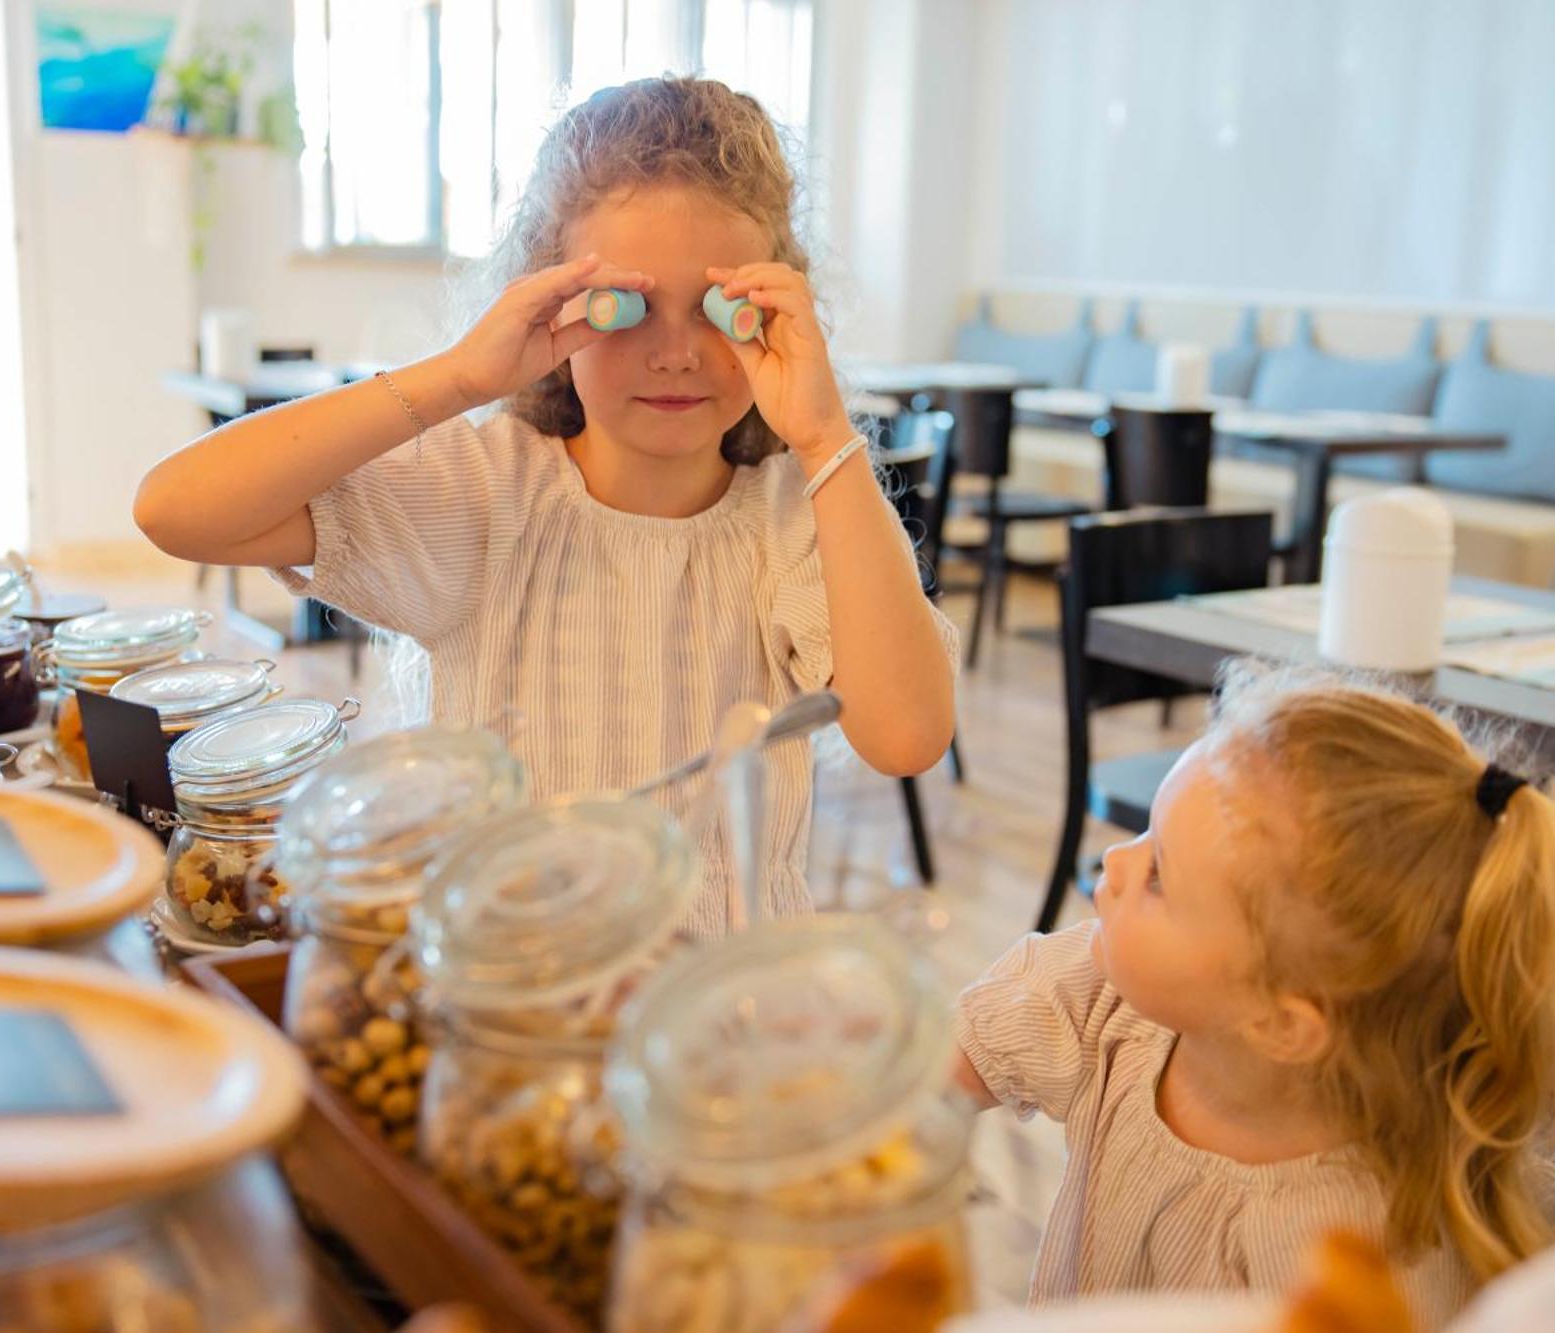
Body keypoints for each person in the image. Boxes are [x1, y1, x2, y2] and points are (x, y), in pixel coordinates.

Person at [134, 78, 957, 932]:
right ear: (557, 306)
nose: (676, 354)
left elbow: (908, 735)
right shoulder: (489, 494)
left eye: (719, 312)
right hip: (509, 998)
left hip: (715, 1017)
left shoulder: (793, 516)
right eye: (629, 311)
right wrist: (461, 375)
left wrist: (826, 440)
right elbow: (175, 508)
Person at [953, 666, 1555, 1327]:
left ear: (1283, 1023)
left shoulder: (1350, 1257)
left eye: (1160, 874)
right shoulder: (1118, 1001)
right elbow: (948, 1059)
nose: (1114, 863)